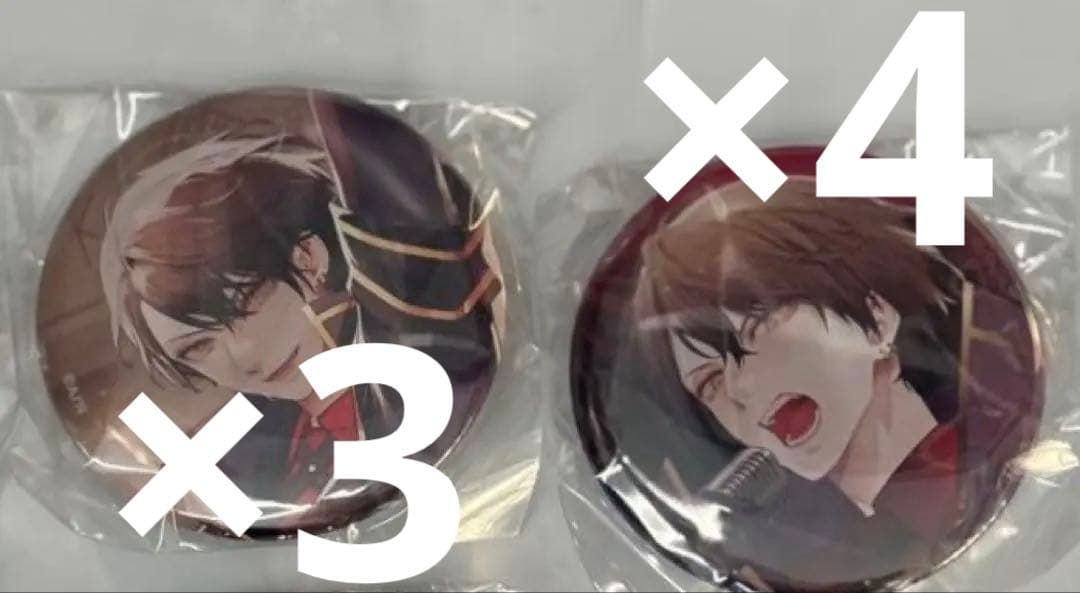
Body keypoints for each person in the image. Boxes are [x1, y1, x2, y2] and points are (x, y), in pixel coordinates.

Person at [602, 174, 1040, 589]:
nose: (740, 390)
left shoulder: (985, 456)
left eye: (758, 329)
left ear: (877, 318)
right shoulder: (801, 556)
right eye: (710, 382)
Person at [98, 94, 502, 534]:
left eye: (246, 302)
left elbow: (401, 220)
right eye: (197, 347)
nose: (244, 355)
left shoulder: (407, 349)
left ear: (308, 258)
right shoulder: (242, 450)